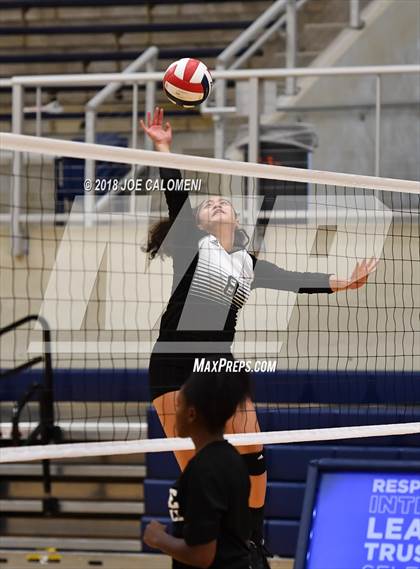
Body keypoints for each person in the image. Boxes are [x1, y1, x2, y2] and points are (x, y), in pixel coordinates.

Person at [141, 107, 378, 567]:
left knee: (252, 445)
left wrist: (345, 282)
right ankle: (206, 546)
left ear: (232, 217)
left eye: (220, 202)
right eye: (208, 205)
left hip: (218, 366)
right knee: (199, 469)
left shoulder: (249, 265)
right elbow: (176, 193)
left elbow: (298, 279)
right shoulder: (193, 244)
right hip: (171, 365)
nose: (214, 204)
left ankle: (251, 537)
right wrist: (163, 147)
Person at [143, 367, 251, 569]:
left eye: (179, 405)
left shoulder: (204, 470)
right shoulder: (232, 459)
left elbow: (201, 555)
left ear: (191, 414)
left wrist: (158, 538)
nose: (175, 413)